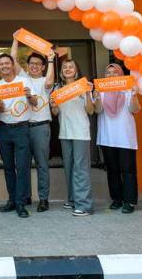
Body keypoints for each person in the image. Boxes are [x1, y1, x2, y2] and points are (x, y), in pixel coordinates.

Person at [11, 37, 55, 212]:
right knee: (23, 164)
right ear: (28, 66)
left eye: (38, 63)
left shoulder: (46, 81)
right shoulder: (23, 77)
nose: (34, 66)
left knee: (42, 164)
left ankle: (43, 198)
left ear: (43, 67)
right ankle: (26, 196)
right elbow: (13, 58)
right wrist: (15, 39)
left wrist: (50, 58)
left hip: (41, 127)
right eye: (32, 63)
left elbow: (51, 82)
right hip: (23, 127)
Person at [93, 63, 140, 214]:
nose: (111, 75)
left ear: (120, 75)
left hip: (125, 137)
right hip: (107, 137)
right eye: (108, 73)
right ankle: (117, 199)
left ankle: (130, 201)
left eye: (115, 72)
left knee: (128, 171)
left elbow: (135, 110)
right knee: (112, 170)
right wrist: (96, 98)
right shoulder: (100, 91)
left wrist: (133, 95)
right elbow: (98, 110)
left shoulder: (127, 89)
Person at [0, 53, 37, 218]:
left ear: (12, 65)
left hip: (22, 129)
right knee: (8, 167)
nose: (4, 66)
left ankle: (21, 203)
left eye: (7, 63)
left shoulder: (24, 81)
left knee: (23, 167)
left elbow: (35, 103)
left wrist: (29, 96)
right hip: (4, 129)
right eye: (1, 64)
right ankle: (12, 200)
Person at [51, 59, 95, 217]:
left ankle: (84, 205)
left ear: (76, 71)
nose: (67, 69)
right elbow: (56, 113)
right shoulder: (58, 88)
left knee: (80, 169)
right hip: (64, 132)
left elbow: (90, 111)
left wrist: (89, 93)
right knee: (69, 168)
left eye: (71, 67)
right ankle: (72, 200)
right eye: (65, 67)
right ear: (61, 71)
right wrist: (54, 105)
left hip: (80, 133)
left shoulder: (83, 86)